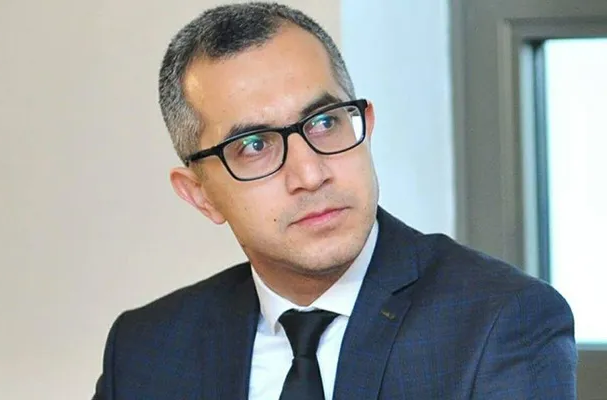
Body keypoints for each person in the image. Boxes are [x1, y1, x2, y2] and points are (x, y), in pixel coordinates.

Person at [92, 2, 577, 399]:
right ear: (201, 196)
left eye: (325, 122)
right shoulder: (145, 350)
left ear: (366, 123)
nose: (310, 174)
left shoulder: (500, 322)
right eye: (255, 146)